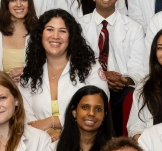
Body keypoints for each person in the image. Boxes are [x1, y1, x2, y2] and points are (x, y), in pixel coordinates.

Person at [20, 8, 109, 138]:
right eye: (50, 29)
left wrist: (53, 122)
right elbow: (28, 120)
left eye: (62, 31)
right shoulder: (29, 74)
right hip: (41, 142)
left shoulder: (91, 69)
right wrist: (45, 134)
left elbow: (98, 108)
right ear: (40, 34)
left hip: (84, 140)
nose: (55, 36)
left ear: (71, 36)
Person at [80, 0, 147, 133]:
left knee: (131, 95)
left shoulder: (134, 28)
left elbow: (139, 68)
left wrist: (123, 80)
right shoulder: (78, 26)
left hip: (121, 87)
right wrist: (101, 76)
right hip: (88, 84)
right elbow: (77, 64)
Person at [0, 0, 36, 82]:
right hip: (1, 89)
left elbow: (47, 65)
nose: (19, 4)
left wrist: (27, 72)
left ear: (29, 3)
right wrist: (5, 79)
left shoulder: (39, 32)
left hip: (32, 90)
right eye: (13, 0)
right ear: (6, 4)